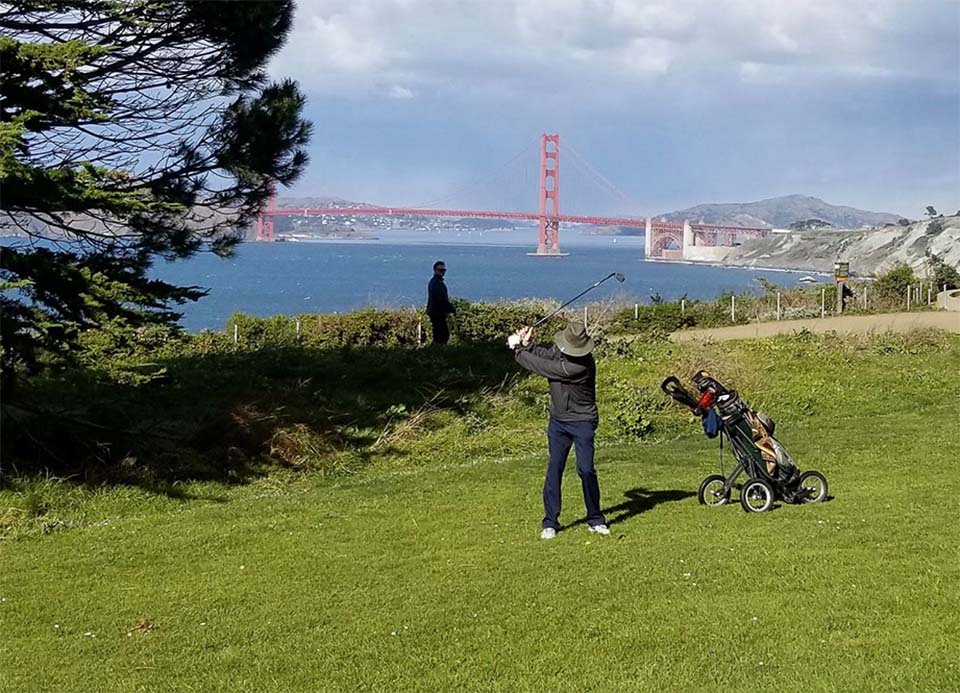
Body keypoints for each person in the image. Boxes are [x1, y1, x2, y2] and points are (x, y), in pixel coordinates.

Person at [508, 321, 609, 540]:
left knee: (586, 469)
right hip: (559, 422)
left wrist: (518, 350)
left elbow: (544, 366)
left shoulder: (579, 367)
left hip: (582, 421)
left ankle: (595, 519)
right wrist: (528, 344)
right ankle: (550, 522)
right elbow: (545, 354)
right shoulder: (561, 351)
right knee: (555, 468)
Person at [426, 260, 455, 345]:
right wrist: (451, 309)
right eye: (440, 270)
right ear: (435, 270)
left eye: (444, 270)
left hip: (436, 313)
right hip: (437, 313)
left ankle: (436, 352)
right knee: (442, 336)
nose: (442, 272)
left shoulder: (435, 282)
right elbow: (441, 299)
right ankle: (438, 353)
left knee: (440, 335)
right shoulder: (436, 283)